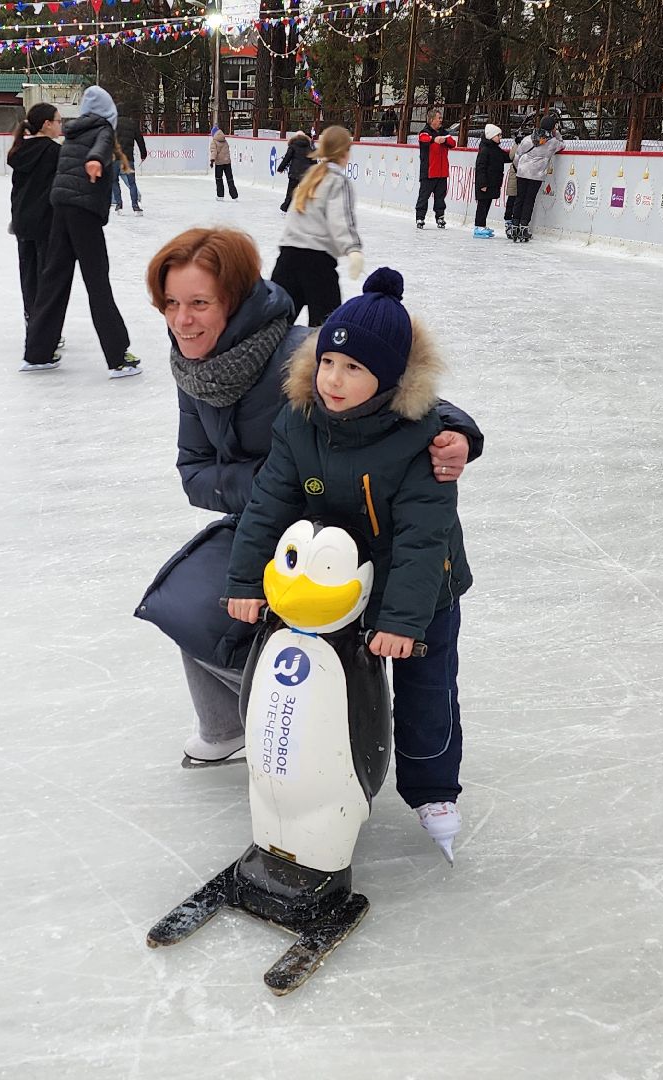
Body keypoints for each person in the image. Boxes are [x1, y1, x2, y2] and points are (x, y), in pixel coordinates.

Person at [145, 228, 480, 774]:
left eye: (199, 303)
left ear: (232, 299)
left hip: (356, 529)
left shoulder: (305, 353)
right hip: (281, 518)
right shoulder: (194, 371)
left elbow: (414, 404)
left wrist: (464, 436)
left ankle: (328, 732)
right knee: (188, 599)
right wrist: (291, 480)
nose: (183, 320)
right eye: (171, 304)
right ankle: (229, 724)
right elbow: (194, 473)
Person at [224, 267, 472, 860]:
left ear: (387, 377)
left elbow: (422, 537)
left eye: (355, 368)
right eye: (329, 362)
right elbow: (269, 501)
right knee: (324, 684)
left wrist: (403, 622)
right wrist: (244, 579)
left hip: (419, 593)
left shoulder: (424, 439)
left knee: (425, 690)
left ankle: (433, 789)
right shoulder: (301, 417)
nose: (334, 379)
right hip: (333, 580)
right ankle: (321, 781)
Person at [16, 86, 139, 378]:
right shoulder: (104, 129)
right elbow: (100, 148)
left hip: (60, 208)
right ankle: (118, 356)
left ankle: (37, 353)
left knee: (53, 280)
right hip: (83, 212)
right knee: (97, 282)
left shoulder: (72, 132)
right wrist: (95, 161)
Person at [271, 125, 362, 327]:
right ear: (344, 152)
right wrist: (353, 250)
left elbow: (293, 217)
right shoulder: (337, 181)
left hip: (287, 259)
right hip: (317, 264)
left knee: (274, 329)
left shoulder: (310, 176)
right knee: (325, 332)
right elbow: (340, 219)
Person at [8, 102, 62, 324]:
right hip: (45, 224)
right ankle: (44, 329)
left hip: (22, 221)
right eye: (58, 121)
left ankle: (32, 320)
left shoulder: (20, 149)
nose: (61, 125)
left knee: (28, 277)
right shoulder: (54, 152)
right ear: (47, 124)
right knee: (46, 278)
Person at [507, 115, 564, 241]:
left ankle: (514, 226)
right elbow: (562, 145)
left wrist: (518, 169)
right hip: (536, 175)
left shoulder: (528, 139)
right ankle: (524, 227)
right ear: (552, 127)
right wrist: (557, 133)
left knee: (519, 198)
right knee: (529, 200)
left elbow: (518, 156)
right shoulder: (552, 143)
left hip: (522, 172)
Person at [414, 108, 456, 229]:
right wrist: (434, 140)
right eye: (439, 118)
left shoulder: (444, 132)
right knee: (424, 196)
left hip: (442, 172)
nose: (441, 120)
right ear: (432, 120)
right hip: (428, 172)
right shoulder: (425, 131)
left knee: (440, 197)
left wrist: (444, 140)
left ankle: (440, 217)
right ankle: (420, 217)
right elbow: (423, 138)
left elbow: (452, 143)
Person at [472, 124, 509, 236]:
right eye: (498, 135)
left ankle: (482, 225)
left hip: (492, 182)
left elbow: (507, 157)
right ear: (491, 136)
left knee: (487, 204)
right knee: (482, 205)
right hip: (485, 184)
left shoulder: (495, 149)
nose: (500, 137)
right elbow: (480, 167)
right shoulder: (485, 150)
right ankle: (479, 226)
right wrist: (482, 183)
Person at [112, 108, 146, 214]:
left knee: (114, 181)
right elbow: (140, 139)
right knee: (132, 183)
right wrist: (143, 153)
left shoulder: (113, 124)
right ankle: (135, 206)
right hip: (128, 158)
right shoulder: (132, 124)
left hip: (116, 158)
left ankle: (119, 205)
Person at [276, 131, 313, 212]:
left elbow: (287, 158)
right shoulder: (309, 147)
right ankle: (306, 208)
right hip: (306, 173)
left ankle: (286, 207)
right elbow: (313, 159)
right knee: (306, 191)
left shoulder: (293, 146)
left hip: (294, 172)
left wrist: (281, 168)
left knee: (291, 191)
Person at [210, 127, 237, 200]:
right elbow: (227, 150)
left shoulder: (214, 141)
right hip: (227, 162)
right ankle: (234, 196)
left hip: (219, 163)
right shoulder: (224, 140)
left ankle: (220, 196)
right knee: (230, 179)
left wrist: (212, 160)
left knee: (219, 179)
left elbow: (213, 151)